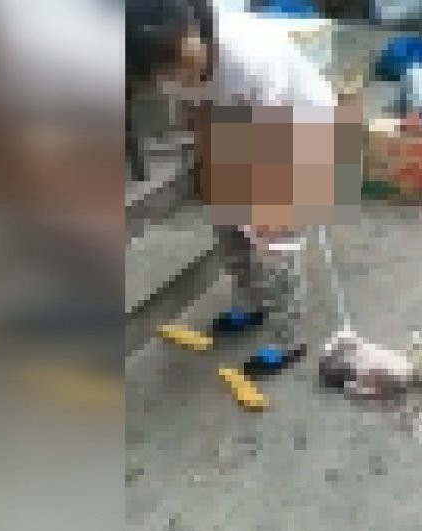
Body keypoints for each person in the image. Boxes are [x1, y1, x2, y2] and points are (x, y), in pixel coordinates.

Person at [127, 0, 346, 367]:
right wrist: (211, 170)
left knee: (276, 238)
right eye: (164, 71)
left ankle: (290, 339)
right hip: (237, 123)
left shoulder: (249, 56)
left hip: (304, 122)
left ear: (193, 30)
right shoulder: (166, 66)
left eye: (182, 63)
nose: (177, 77)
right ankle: (252, 302)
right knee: (228, 223)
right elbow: (199, 113)